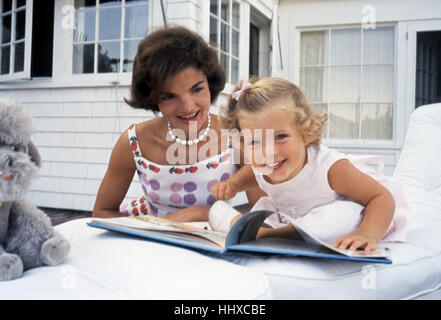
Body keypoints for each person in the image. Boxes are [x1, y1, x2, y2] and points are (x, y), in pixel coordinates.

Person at [209, 77, 410, 252]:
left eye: (280, 137)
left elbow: (381, 197)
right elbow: (253, 173)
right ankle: (266, 231)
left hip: (358, 213)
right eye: (255, 141)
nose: (267, 152)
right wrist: (234, 184)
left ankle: (264, 236)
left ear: (306, 133)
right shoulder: (263, 163)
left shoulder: (331, 169)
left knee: (341, 215)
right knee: (263, 209)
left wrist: (368, 234)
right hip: (295, 215)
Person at [92, 26, 261, 221]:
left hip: (210, 241)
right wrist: (149, 229)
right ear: (153, 97)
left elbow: (264, 216)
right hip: (150, 234)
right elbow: (102, 213)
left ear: (210, 82)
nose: (187, 107)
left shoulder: (235, 136)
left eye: (196, 89)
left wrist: (199, 214)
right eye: (169, 96)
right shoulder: (132, 142)